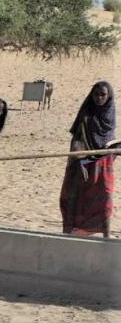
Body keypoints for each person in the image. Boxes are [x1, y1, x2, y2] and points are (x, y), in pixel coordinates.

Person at [60, 81, 116, 237]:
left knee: (104, 196)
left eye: (102, 95)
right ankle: (72, 230)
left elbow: (109, 142)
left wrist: (115, 150)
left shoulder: (110, 116)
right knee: (75, 197)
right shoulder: (86, 114)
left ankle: (106, 233)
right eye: (96, 94)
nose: (99, 98)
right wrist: (80, 160)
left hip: (103, 164)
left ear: (109, 96)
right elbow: (77, 140)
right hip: (82, 163)